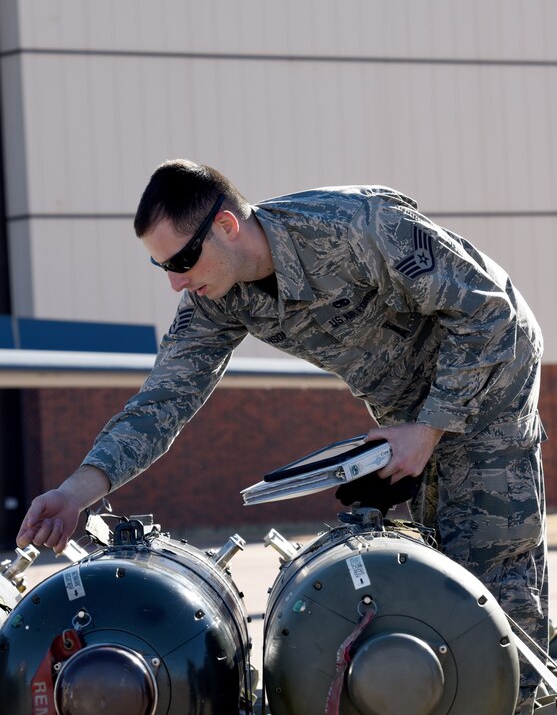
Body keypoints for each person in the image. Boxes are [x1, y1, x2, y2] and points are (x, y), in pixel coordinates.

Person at [17, 159, 547, 714]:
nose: (175, 280)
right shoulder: (214, 295)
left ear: (225, 225)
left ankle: (528, 701)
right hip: (406, 411)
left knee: (492, 564)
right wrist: (75, 493)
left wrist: (431, 426)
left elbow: (490, 311)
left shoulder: (358, 225)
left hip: (490, 380)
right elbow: (162, 403)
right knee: (439, 574)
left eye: (181, 260)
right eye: (161, 266)